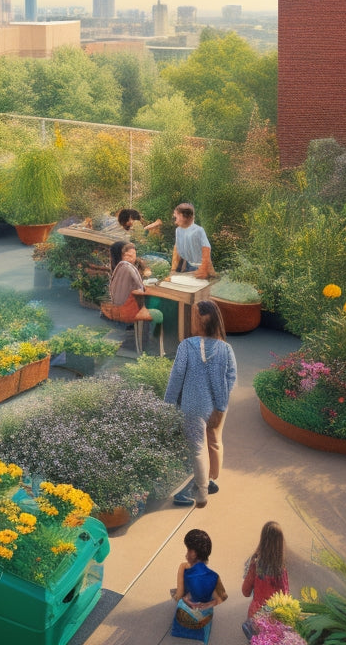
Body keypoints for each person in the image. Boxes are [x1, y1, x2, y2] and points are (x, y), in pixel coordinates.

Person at [164, 300, 236, 507]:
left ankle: (201, 493)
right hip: (215, 406)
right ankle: (210, 481)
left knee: (196, 449)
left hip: (193, 405)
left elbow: (176, 378)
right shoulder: (226, 349)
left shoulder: (186, 346)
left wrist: (167, 405)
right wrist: (220, 408)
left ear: (200, 322)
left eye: (194, 316)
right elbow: (229, 380)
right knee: (212, 443)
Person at [170, 528, 227, 641]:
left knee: (178, 595)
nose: (186, 554)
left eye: (188, 550)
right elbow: (222, 597)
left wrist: (181, 598)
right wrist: (207, 605)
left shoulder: (183, 568)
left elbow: (179, 595)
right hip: (204, 618)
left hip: (185, 618)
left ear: (193, 553)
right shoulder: (214, 576)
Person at [242, 521, 290, 638]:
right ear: (280, 543)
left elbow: (245, 592)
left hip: (256, 616)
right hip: (275, 620)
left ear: (262, 540)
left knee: (256, 639)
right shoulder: (281, 569)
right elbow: (286, 596)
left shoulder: (255, 564)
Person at [107, 241, 152, 321]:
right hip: (130, 305)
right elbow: (139, 288)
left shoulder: (121, 267)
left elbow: (146, 271)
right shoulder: (126, 267)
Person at [171, 203, 215, 280]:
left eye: (176, 218)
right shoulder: (178, 230)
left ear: (183, 216)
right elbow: (177, 249)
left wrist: (203, 269)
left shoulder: (198, 230)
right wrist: (173, 270)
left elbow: (206, 248)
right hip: (188, 265)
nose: (175, 222)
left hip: (202, 267)